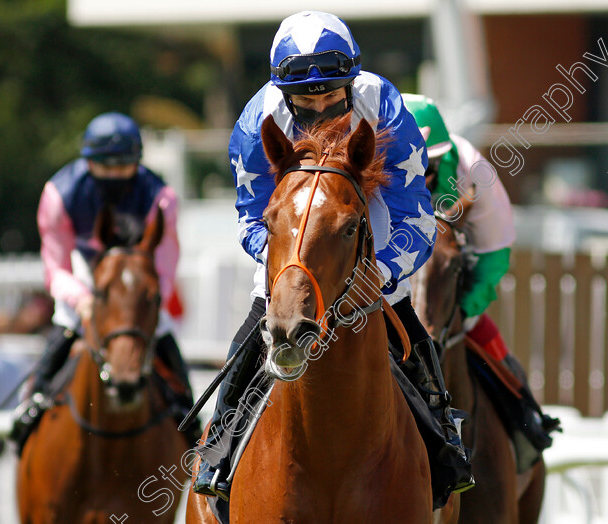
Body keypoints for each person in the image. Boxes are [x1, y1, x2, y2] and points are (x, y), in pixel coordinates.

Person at [192, 11, 473, 507]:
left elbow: (416, 214)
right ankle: (217, 456)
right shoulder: (254, 121)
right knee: (244, 350)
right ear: (283, 94)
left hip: (371, 242)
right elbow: (252, 219)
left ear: (351, 82)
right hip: (293, 257)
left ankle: (446, 451)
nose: (320, 107)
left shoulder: (382, 104)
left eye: (330, 96)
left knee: (422, 350)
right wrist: (286, 271)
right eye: (306, 101)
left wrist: (381, 271)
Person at [8, 112, 200, 450]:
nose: (113, 174)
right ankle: (34, 403)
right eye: (104, 166)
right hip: (85, 270)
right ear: (88, 162)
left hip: (137, 276)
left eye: (122, 166)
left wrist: (147, 303)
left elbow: (166, 268)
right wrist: (83, 300)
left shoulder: (162, 198)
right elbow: (55, 269)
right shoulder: (58, 195)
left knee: (162, 328)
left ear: (137, 162)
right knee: (65, 323)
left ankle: (189, 416)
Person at [402, 94, 561, 449]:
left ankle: (525, 421)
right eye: (412, 167)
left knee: (476, 329)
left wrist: (464, 308)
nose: (424, 177)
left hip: (451, 280)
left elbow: (495, 254)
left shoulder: (473, 172)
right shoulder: (370, 166)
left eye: (432, 165)